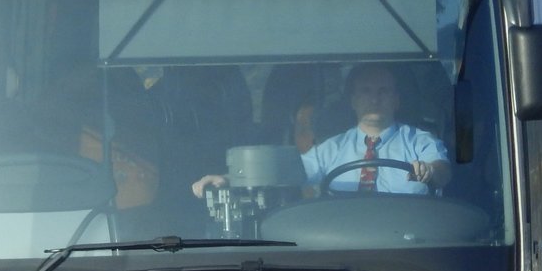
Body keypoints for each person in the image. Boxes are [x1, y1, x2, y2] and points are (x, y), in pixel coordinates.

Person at [192, 63, 452, 197]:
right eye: (366, 91)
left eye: (384, 91)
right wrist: (229, 180)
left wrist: (430, 170)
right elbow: (283, 172)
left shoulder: (420, 141)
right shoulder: (331, 149)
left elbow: (442, 171)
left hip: (410, 248)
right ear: (352, 101)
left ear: (397, 99)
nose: (375, 99)